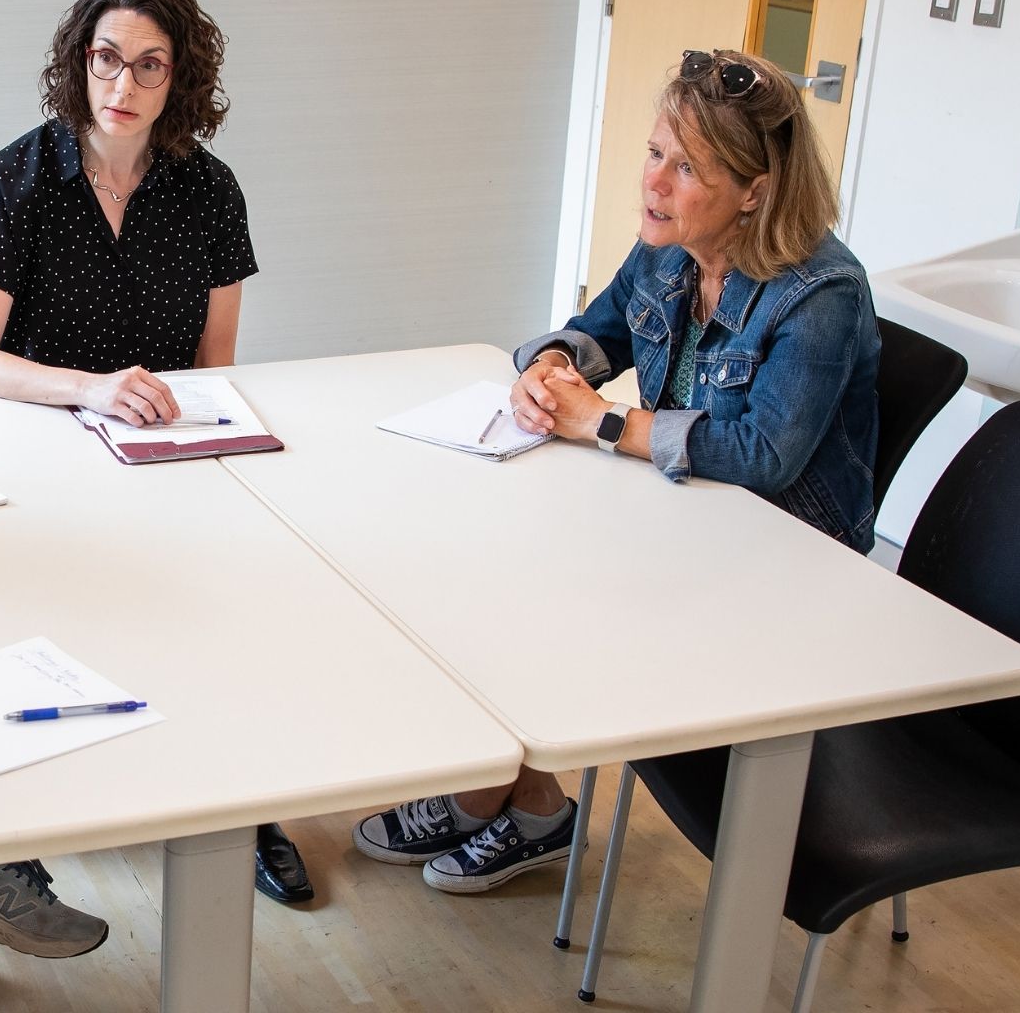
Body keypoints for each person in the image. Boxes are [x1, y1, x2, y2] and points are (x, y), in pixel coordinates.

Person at [355, 48, 880, 893]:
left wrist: (602, 421)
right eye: (654, 153)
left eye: (687, 168)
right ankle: (525, 804)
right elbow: (598, 334)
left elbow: (765, 455)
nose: (656, 184)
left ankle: (499, 798)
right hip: (683, 516)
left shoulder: (821, 293)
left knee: (542, 596)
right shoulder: (670, 249)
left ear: (757, 189)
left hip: (783, 560)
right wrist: (551, 366)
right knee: (483, 561)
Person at [0, 0, 313, 907]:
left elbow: (214, 362)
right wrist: (90, 391)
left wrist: (186, 436)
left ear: (177, 80)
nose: (124, 86)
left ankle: (243, 806)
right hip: (41, 449)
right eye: (108, 59)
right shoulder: (16, 178)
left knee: (243, 589)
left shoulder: (211, 191)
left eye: (150, 67)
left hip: (165, 450)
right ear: (80, 61)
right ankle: (36, 810)